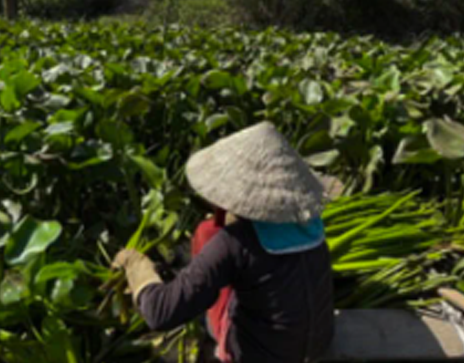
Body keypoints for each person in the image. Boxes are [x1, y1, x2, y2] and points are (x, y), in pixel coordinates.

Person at [113, 122, 334, 363]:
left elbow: (160, 313)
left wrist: (138, 268)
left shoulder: (234, 243)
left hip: (258, 357)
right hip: (318, 346)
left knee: (206, 234)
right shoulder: (310, 224)